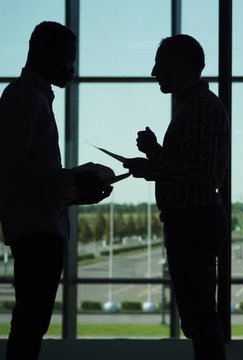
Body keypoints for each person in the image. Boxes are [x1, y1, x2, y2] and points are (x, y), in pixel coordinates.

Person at [0, 21, 113, 360]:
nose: (72, 69)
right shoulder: (24, 97)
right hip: (37, 231)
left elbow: (28, 177)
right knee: (31, 324)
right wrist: (72, 176)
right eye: (68, 59)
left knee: (31, 323)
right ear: (44, 53)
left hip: (38, 227)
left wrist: (76, 193)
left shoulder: (29, 96)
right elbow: (14, 167)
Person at [123, 34, 229, 360]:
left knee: (199, 318)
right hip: (197, 218)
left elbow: (198, 172)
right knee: (200, 316)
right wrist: (156, 153)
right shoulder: (197, 105)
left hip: (191, 220)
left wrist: (151, 166)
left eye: (160, 63)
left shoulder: (195, 106)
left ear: (180, 64)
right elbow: (195, 167)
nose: (154, 72)